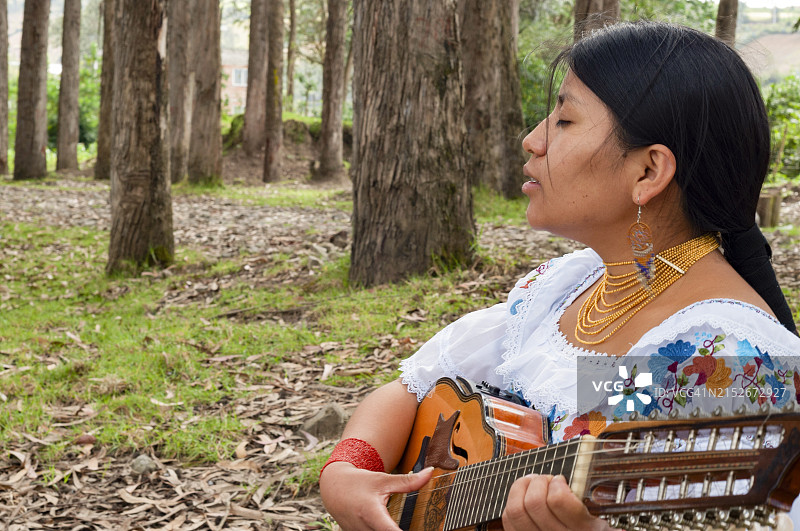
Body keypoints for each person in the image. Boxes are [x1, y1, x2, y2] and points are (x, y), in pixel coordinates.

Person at [319, 21, 800, 530]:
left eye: (565, 120)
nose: (532, 140)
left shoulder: (717, 361)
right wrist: (348, 469)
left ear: (648, 172)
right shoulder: (572, 286)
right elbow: (413, 386)